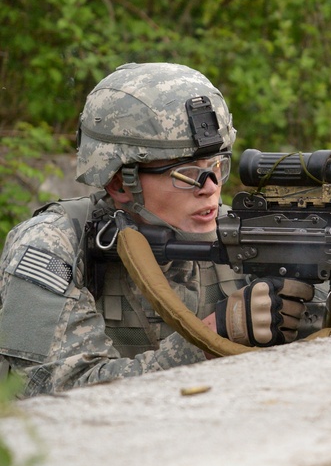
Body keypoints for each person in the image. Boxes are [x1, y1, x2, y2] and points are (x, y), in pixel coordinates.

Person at [0, 62, 314, 397]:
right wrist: (210, 338)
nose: (210, 187)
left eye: (218, 166)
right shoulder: (52, 245)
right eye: (187, 174)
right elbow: (52, 393)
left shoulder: (244, 234)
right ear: (121, 182)